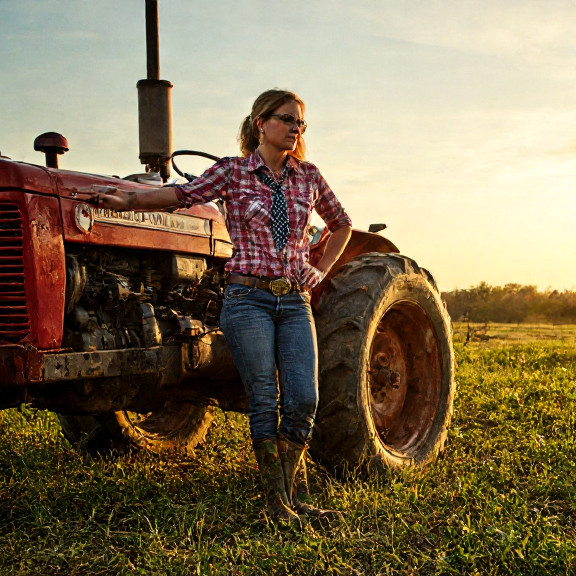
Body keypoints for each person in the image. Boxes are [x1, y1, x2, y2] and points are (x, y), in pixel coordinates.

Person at [94, 89, 352, 526]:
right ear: (260, 123)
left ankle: (294, 496)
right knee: (264, 399)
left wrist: (320, 268)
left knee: (304, 398)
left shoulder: (308, 175)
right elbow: (180, 196)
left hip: (293, 301)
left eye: (300, 123)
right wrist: (129, 200)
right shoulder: (232, 173)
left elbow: (342, 223)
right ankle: (278, 503)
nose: (295, 128)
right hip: (246, 298)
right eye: (287, 119)